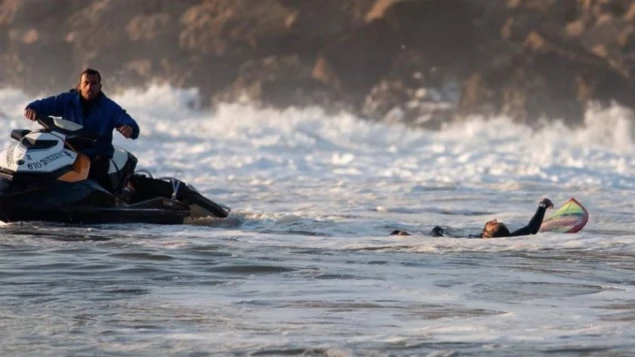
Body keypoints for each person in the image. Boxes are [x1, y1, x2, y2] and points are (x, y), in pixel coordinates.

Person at [24, 68, 140, 192]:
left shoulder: (109, 108)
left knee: (101, 190)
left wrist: (129, 129)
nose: (89, 87)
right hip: (68, 154)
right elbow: (43, 105)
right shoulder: (67, 100)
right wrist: (32, 109)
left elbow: (130, 123)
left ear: (100, 87)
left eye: (94, 83)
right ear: (80, 85)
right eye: (86, 83)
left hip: (96, 159)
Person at [391, 197, 554, 238]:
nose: (493, 221)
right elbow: (532, 228)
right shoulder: (509, 238)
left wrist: (409, 237)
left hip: (447, 238)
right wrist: (542, 205)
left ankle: (404, 235)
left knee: (437, 230)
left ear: (486, 236)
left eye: (493, 225)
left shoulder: (477, 243)